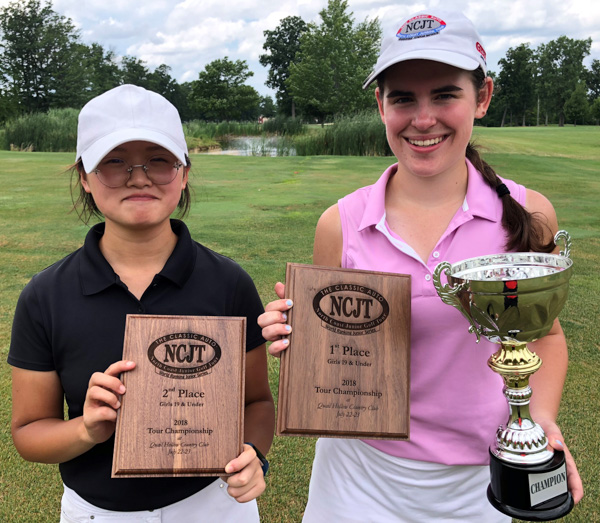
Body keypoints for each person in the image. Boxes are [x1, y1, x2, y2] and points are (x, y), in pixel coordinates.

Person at [258, 9, 584, 522]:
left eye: (445, 94)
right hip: (357, 476)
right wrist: (298, 346)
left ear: (482, 97)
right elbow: (332, 357)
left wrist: (540, 422)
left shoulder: (529, 215)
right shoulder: (339, 223)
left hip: (483, 480)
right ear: (380, 105)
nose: (423, 118)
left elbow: (545, 336)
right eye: (403, 98)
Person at [9, 84, 274, 522]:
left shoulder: (229, 283)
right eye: (113, 162)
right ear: (84, 176)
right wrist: (86, 429)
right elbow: (28, 432)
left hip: (212, 506)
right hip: (95, 512)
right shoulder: (45, 296)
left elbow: (257, 404)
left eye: (158, 159)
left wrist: (254, 455)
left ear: (184, 172)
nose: (138, 177)